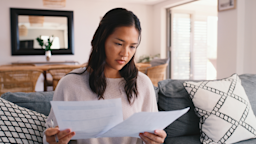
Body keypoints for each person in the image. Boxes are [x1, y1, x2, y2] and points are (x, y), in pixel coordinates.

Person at [44, 8, 167, 144]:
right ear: (100, 40)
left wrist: (155, 140)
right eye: (119, 44)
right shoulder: (69, 84)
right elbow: (51, 135)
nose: (125, 53)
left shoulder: (143, 83)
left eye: (132, 46)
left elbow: (151, 134)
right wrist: (52, 140)